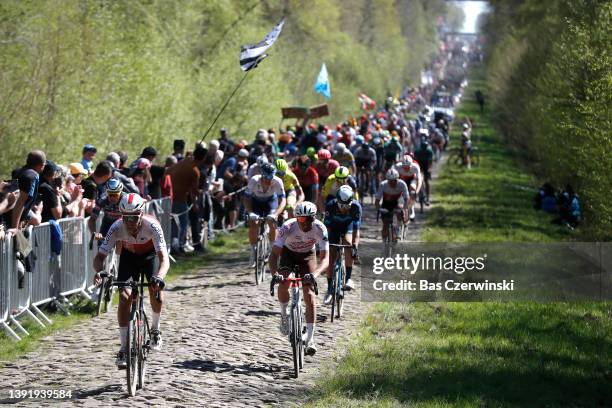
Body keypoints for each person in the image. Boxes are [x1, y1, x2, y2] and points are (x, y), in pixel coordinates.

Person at [93, 193, 169, 368]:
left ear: (141, 214)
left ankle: (155, 329)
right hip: (129, 258)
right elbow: (99, 257)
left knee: (155, 289)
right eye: (126, 218)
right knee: (124, 297)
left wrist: (159, 277)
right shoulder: (116, 227)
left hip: (150, 257)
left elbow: (164, 259)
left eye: (134, 218)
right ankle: (124, 348)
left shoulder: (153, 226)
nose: (130, 222)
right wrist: (99, 271)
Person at [268, 201, 329, 356]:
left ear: (314, 218)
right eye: (302, 220)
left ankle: (310, 338)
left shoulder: (320, 228)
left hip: (308, 256)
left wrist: (314, 275)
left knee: (309, 294)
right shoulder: (287, 227)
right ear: (296, 219)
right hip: (288, 254)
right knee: (283, 283)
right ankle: (284, 314)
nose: (306, 223)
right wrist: (276, 274)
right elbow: (274, 254)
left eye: (310, 219)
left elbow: (325, 259)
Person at [166, 146, 207, 253]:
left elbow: (189, 187)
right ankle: (178, 246)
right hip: (180, 199)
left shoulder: (186, 160)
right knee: (183, 224)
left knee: (173, 224)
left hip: (168, 196)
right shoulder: (195, 172)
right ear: (203, 159)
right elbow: (194, 191)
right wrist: (203, 193)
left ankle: (173, 246)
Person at [323, 185, 361, 302]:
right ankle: (330, 289)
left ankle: (348, 278)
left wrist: (355, 245)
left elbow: (356, 230)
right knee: (331, 257)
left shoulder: (356, 207)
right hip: (333, 228)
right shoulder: (331, 206)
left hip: (347, 227)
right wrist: (325, 244)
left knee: (349, 243)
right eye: (342, 206)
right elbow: (326, 228)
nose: (345, 208)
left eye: (347, 205)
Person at [244, 163, 286, 266]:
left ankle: (273, 250)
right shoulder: (254, 180)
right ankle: (253, 251)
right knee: (253, 222)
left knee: (272, 222)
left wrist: (276, 214)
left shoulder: (277, 181)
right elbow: (246, 198)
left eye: (271, 177)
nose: (269, 180)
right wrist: (250, 212)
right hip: (256, 202)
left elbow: (283, 201)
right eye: (267, 177)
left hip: (270, 202)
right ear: (262, 175)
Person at [7, 150, 46, 232]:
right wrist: (15, 228)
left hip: (10, 215)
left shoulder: (18, 172)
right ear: (41, 165)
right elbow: (20, 202)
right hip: (11, 220)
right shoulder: (32, 176)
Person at [375, 168, 409, 242]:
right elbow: (377, 201)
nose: (393, 183)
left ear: (398, 179)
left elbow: (406, 199)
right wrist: (379, 209)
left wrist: (405, 209)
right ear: (387, 180)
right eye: (390, 181)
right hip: (386, 204)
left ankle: (398, 229)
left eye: (395, 180)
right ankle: (384, 242)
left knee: (400, 211)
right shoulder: (383, 185)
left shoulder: (402, 184)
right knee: (385, 224)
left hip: (398, 202)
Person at [395, 155, 422, 221]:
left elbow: (419, 180)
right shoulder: (398, 166)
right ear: (402, 165)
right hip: (402, 179)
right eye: (405, 167)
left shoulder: (415, 166)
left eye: (408, 166)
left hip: (412, 179)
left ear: (411, 164)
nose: (406, 168)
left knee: (412, 188)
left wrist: (417, 191)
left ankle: (412, 208)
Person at [414, 138, 434, 204]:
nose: (424, 149)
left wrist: (429, 169)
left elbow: (430, 162)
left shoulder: (429, 151)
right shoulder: (417, 151)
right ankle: (416, 193)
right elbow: (415, 161)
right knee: (417, 179)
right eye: (423, 148)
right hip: (419, 165)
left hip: (426, 165)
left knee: (427, 180)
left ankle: (428, 197)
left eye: (425, 147)